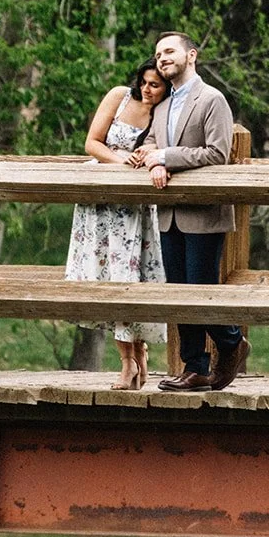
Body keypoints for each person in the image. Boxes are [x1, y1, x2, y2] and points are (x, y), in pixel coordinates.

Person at [130, 31, 250, 392]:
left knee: (200, 290)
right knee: (179, 293)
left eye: (169, 51)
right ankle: (195, 368)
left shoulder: (211, 99)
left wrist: (167, 158)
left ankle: (231, 342)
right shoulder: (164, 104)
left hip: (204, 213)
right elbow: (153, 141)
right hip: (169, 213)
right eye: (158, 53)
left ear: (191, 55)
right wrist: (151, 160)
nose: (162, 57)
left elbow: (216, 152)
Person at [65, 60, 169, 389]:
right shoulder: (120, 97)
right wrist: (119, 158)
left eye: (156, 84)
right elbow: (92, 142)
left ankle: (139, 356)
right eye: (145, 82)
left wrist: (151, 152)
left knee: (132, 277)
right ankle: (127, 362)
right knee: (107, 276)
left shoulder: (167, 111)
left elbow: (170, 144)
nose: (148, 89)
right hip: (102, 200)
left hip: (136, 208)